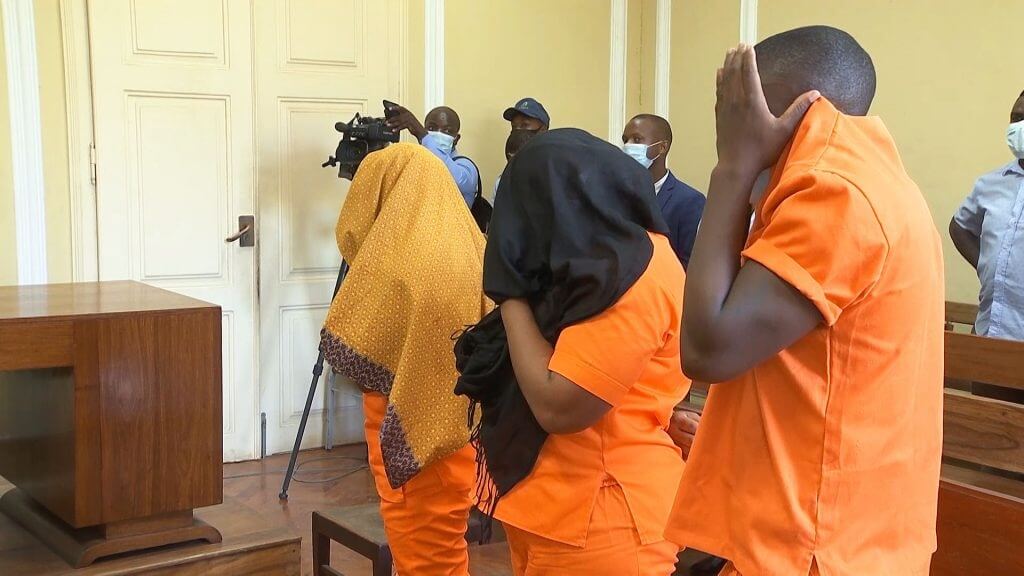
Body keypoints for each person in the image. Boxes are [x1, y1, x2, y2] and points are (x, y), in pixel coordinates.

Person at [667, 26, 944, 576]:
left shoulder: (834, 191)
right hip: (849, 534)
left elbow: (706, 349)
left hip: (816, 546)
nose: (731, 123)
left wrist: (733, 165)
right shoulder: (876, 178)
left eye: (743, 108)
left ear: (786, 107)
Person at [455, 128, 689, 575]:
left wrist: (510, 293)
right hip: (550, 506)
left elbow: (558, 407)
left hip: (602, 517)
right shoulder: (585, 263)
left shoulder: (632, 271)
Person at [320, 143, 490, 575]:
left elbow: (356, 356)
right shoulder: (473, 248)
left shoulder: (396, 266)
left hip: (410, 435)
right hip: (463, 427)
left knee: (422, 553)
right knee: (445, 546)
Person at [949, 90, 1024, 341]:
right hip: (990, 331)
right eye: (1016, 118)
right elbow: (959, 226)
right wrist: (988, 266)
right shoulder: (990, 184)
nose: (1020, 126)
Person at [622, 114, 706, 268]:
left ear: (662, 147)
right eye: (625, 140)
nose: (628, 146)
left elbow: (689, 265)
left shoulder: (690, 201)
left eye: (637, 139)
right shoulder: (617, 196)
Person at [386, 104, 480, 207]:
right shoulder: (415, 164)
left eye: (447, 131)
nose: (438, 133)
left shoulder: (466, 166)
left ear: (456, 139)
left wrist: (422, 135)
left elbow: (455, 180)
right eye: (431, 128)